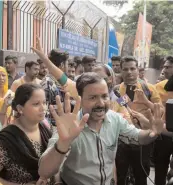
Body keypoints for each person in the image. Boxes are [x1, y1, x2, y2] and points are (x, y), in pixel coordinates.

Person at [38, 72, 165, 185]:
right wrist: (63, 144)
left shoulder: (115, 119)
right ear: (80, 100)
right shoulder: (70, 127)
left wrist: (152, 133)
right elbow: (44, 172)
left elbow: (138, 137)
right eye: (93, 98)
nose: (101, 103)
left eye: (104, 96)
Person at [0, 84, 52, 185]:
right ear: (20, 109)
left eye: (44, 102)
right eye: (36, 104)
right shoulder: (5, 141)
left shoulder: (45, 129)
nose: (43, 108)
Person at [116, 56, 163, 185]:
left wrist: (146, 102)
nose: (129, 72)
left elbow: (161, 111)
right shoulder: (117, 90)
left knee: (141, 174)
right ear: (121, 71)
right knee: (121, 174)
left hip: (144, 138)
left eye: (132, 68)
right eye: (125, 69)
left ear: (138, 70)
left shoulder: (149, 88)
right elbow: (119, 108)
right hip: (122, 140)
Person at [154, 56, 173, 185]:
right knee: (160, 168)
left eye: (168, 67)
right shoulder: (158, 87)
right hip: (164, 135)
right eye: (164, 67)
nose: (164, 70)